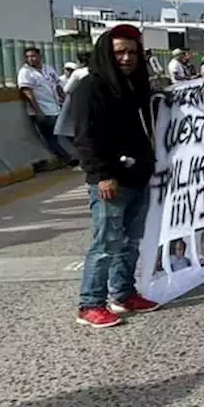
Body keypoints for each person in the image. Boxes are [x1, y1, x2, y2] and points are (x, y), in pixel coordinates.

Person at [71, 25, 160, 328]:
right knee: (106, 243)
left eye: (132, 52)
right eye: (119, 52)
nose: (126, 58)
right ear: (107, 54)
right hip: (111, 181)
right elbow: (85, 137)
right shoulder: (90, 87)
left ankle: (122, 293)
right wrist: (102, 176)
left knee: (131, 241)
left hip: (139, 177)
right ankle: (90, 304)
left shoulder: (137, 85)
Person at [17, 46, 72, 164]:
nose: (31, 59)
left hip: (56, 108)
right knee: (52, 137)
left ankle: (71, 157)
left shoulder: (48, 69)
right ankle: (68, 159)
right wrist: (38, 111)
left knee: (65, 131)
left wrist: (66, 102)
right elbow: (27, 92)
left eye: (33, 56)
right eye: (28, 57)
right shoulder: (25, 72)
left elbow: (57, 87)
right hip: (43, 110)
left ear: (39, 56)